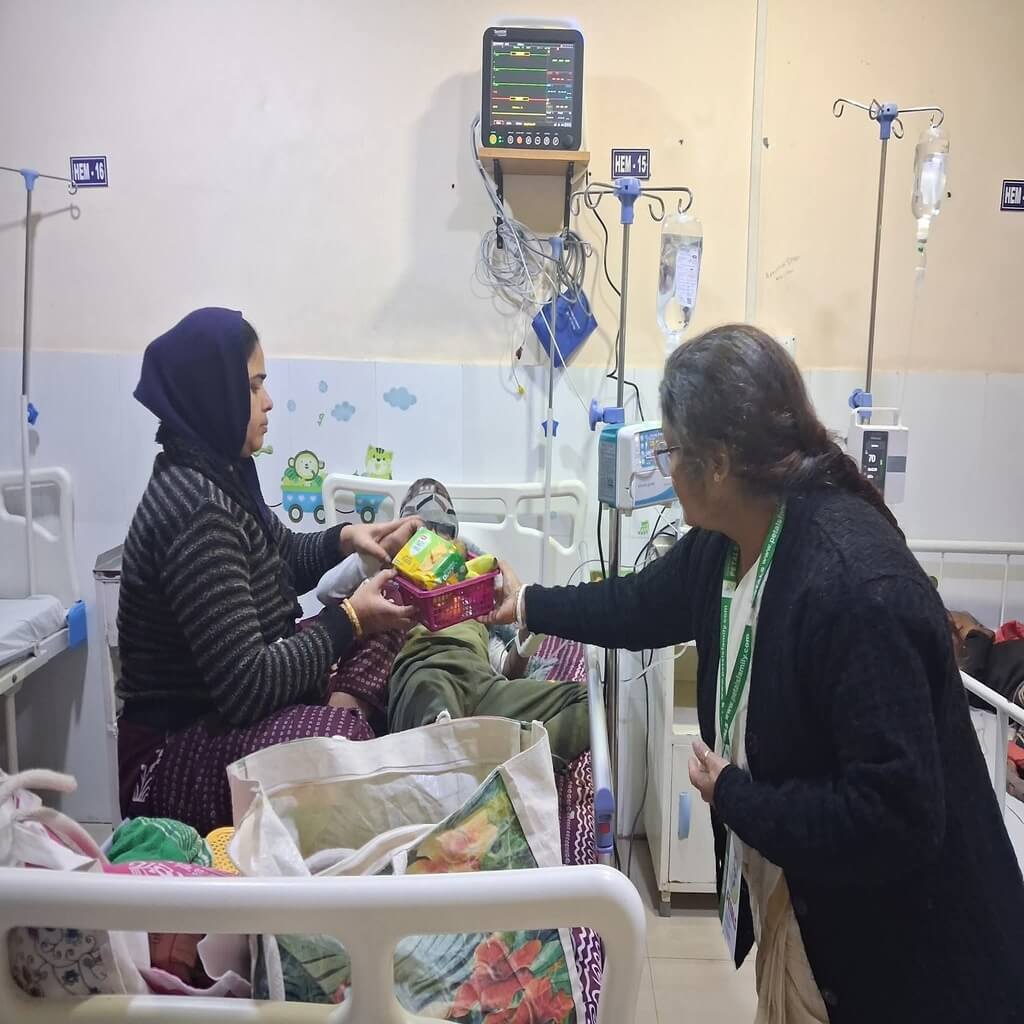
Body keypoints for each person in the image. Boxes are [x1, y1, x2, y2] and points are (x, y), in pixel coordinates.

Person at [486, 324, 1024, 1023]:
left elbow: (895, 818)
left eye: (669, 451)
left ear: (716, 464)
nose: (664, 468)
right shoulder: (731, 542)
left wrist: (737, 798)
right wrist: (528, 602)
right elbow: (639, 604)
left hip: (915, 962)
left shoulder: (851, 588)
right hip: (815, 900)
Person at [116, 308, 418, 834]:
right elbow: (248, 686)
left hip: (231, 704)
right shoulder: (195, 508)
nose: (269, 401)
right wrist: (349, 620)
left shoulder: (220, 471)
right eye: (255, 386)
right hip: (171, 752)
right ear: (215, 395)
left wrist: (350, 539)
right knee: (340, 746)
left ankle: (335, 711)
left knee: (396, 613)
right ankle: (337, 723)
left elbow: (280, 557)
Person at [317, 478, 590, 771]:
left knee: (587, 701)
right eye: (424, 534)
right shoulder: (390, 582)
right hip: (427, 675)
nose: (435, 544)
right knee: (438, 722)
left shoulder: (475, 592)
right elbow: (326, 591)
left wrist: (526, 637)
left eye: (442, 534)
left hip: (483, 684)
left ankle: (515, 768)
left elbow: (505, 667)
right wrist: (380, 554)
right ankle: (464, 759)